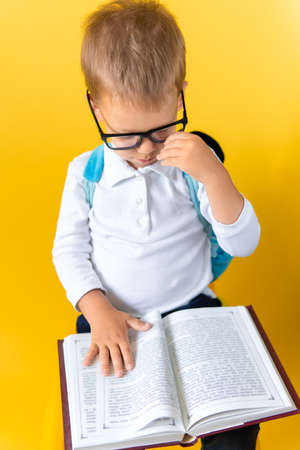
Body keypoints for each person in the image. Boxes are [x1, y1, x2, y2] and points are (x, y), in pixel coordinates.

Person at [52, 1, 261, 448]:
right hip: (111, 316)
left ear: (180, 95)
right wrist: (97, 309)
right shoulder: (84, 174)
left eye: (162, 131)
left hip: (192, 307)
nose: (147, 150)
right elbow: (68, 251)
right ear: (98, 109)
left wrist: (214, 174)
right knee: (112, 424)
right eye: (126, 136)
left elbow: (244, 243)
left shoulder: (192, 166)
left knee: (235, 423)